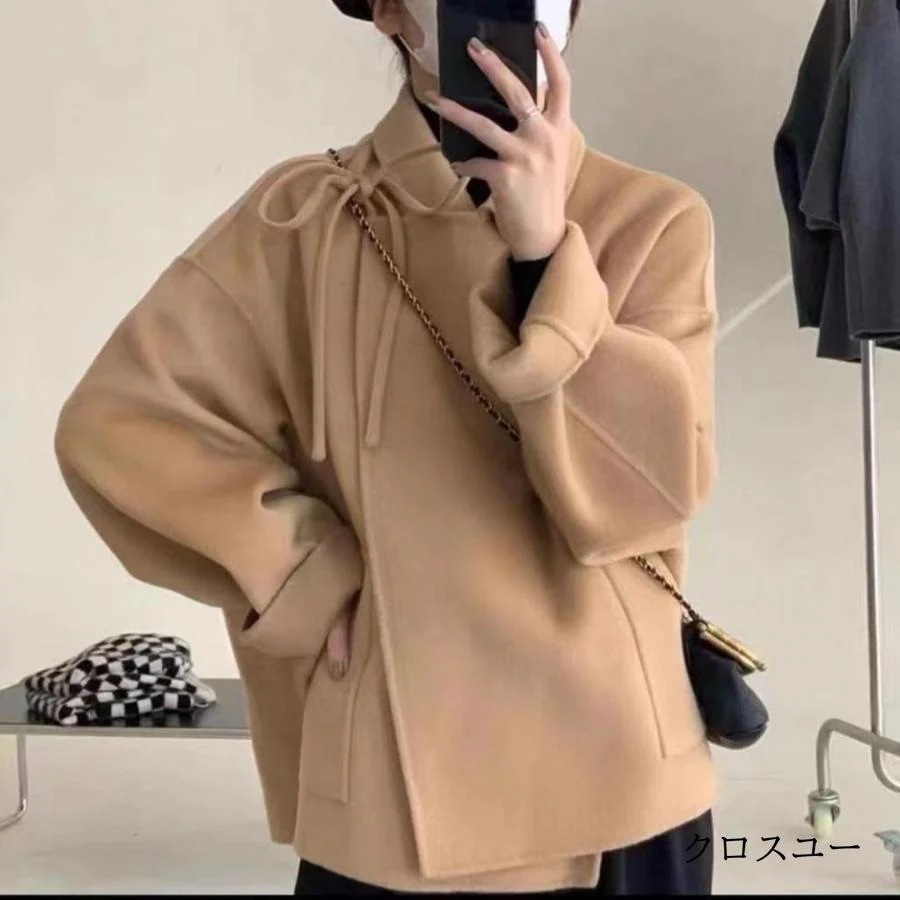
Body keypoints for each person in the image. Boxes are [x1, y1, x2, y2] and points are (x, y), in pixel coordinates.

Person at [53, 0, 720, 894]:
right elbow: (123, 421)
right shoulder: (303, 219)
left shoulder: (652, 218)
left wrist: (544, 254)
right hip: (397, 789)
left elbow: (640, 502)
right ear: (387, 11)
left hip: (619, 771)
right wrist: (299, 570)